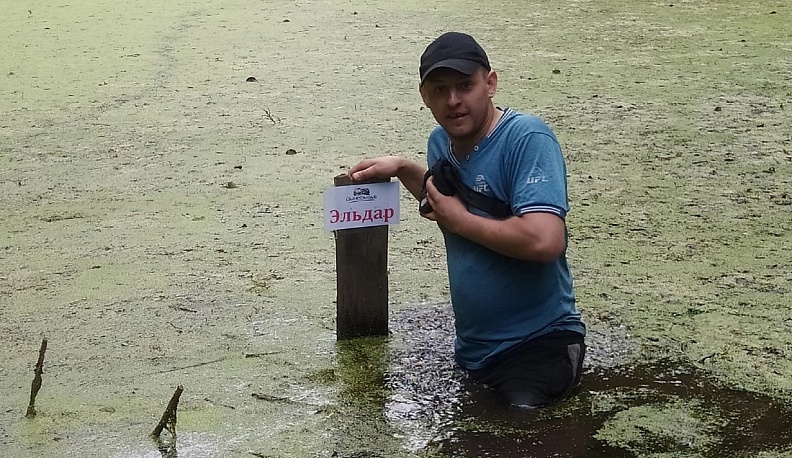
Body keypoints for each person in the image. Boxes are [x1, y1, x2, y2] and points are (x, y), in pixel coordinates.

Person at [347, 31, 586, 408]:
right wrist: (406, 168)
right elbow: (446, 205)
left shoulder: (527, 138)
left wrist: (460, 221)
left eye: (465, 85)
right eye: (439, 89)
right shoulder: (440, 143)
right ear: (424, 96)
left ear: (490, 83)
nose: (453, 100)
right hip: (473, 353)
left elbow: (545, 240)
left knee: (518, 434)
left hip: (541, 347)